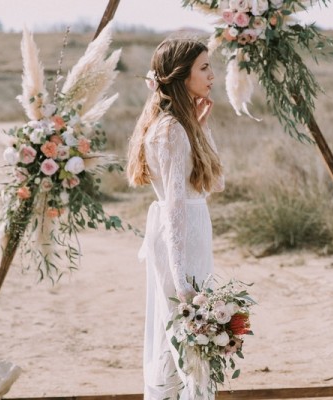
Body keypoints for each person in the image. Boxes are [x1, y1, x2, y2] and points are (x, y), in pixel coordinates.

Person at [126, 37, 224, 400]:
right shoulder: (170, 130)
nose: (212, 75)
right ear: (182, 77)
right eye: (204, 67)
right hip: (178, 236)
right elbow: (175, 207)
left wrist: (200, 127)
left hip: (193, 232)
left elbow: (214, 183)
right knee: (184, 331)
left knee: (189, 336)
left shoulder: (182, 127)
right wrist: (181, 278)